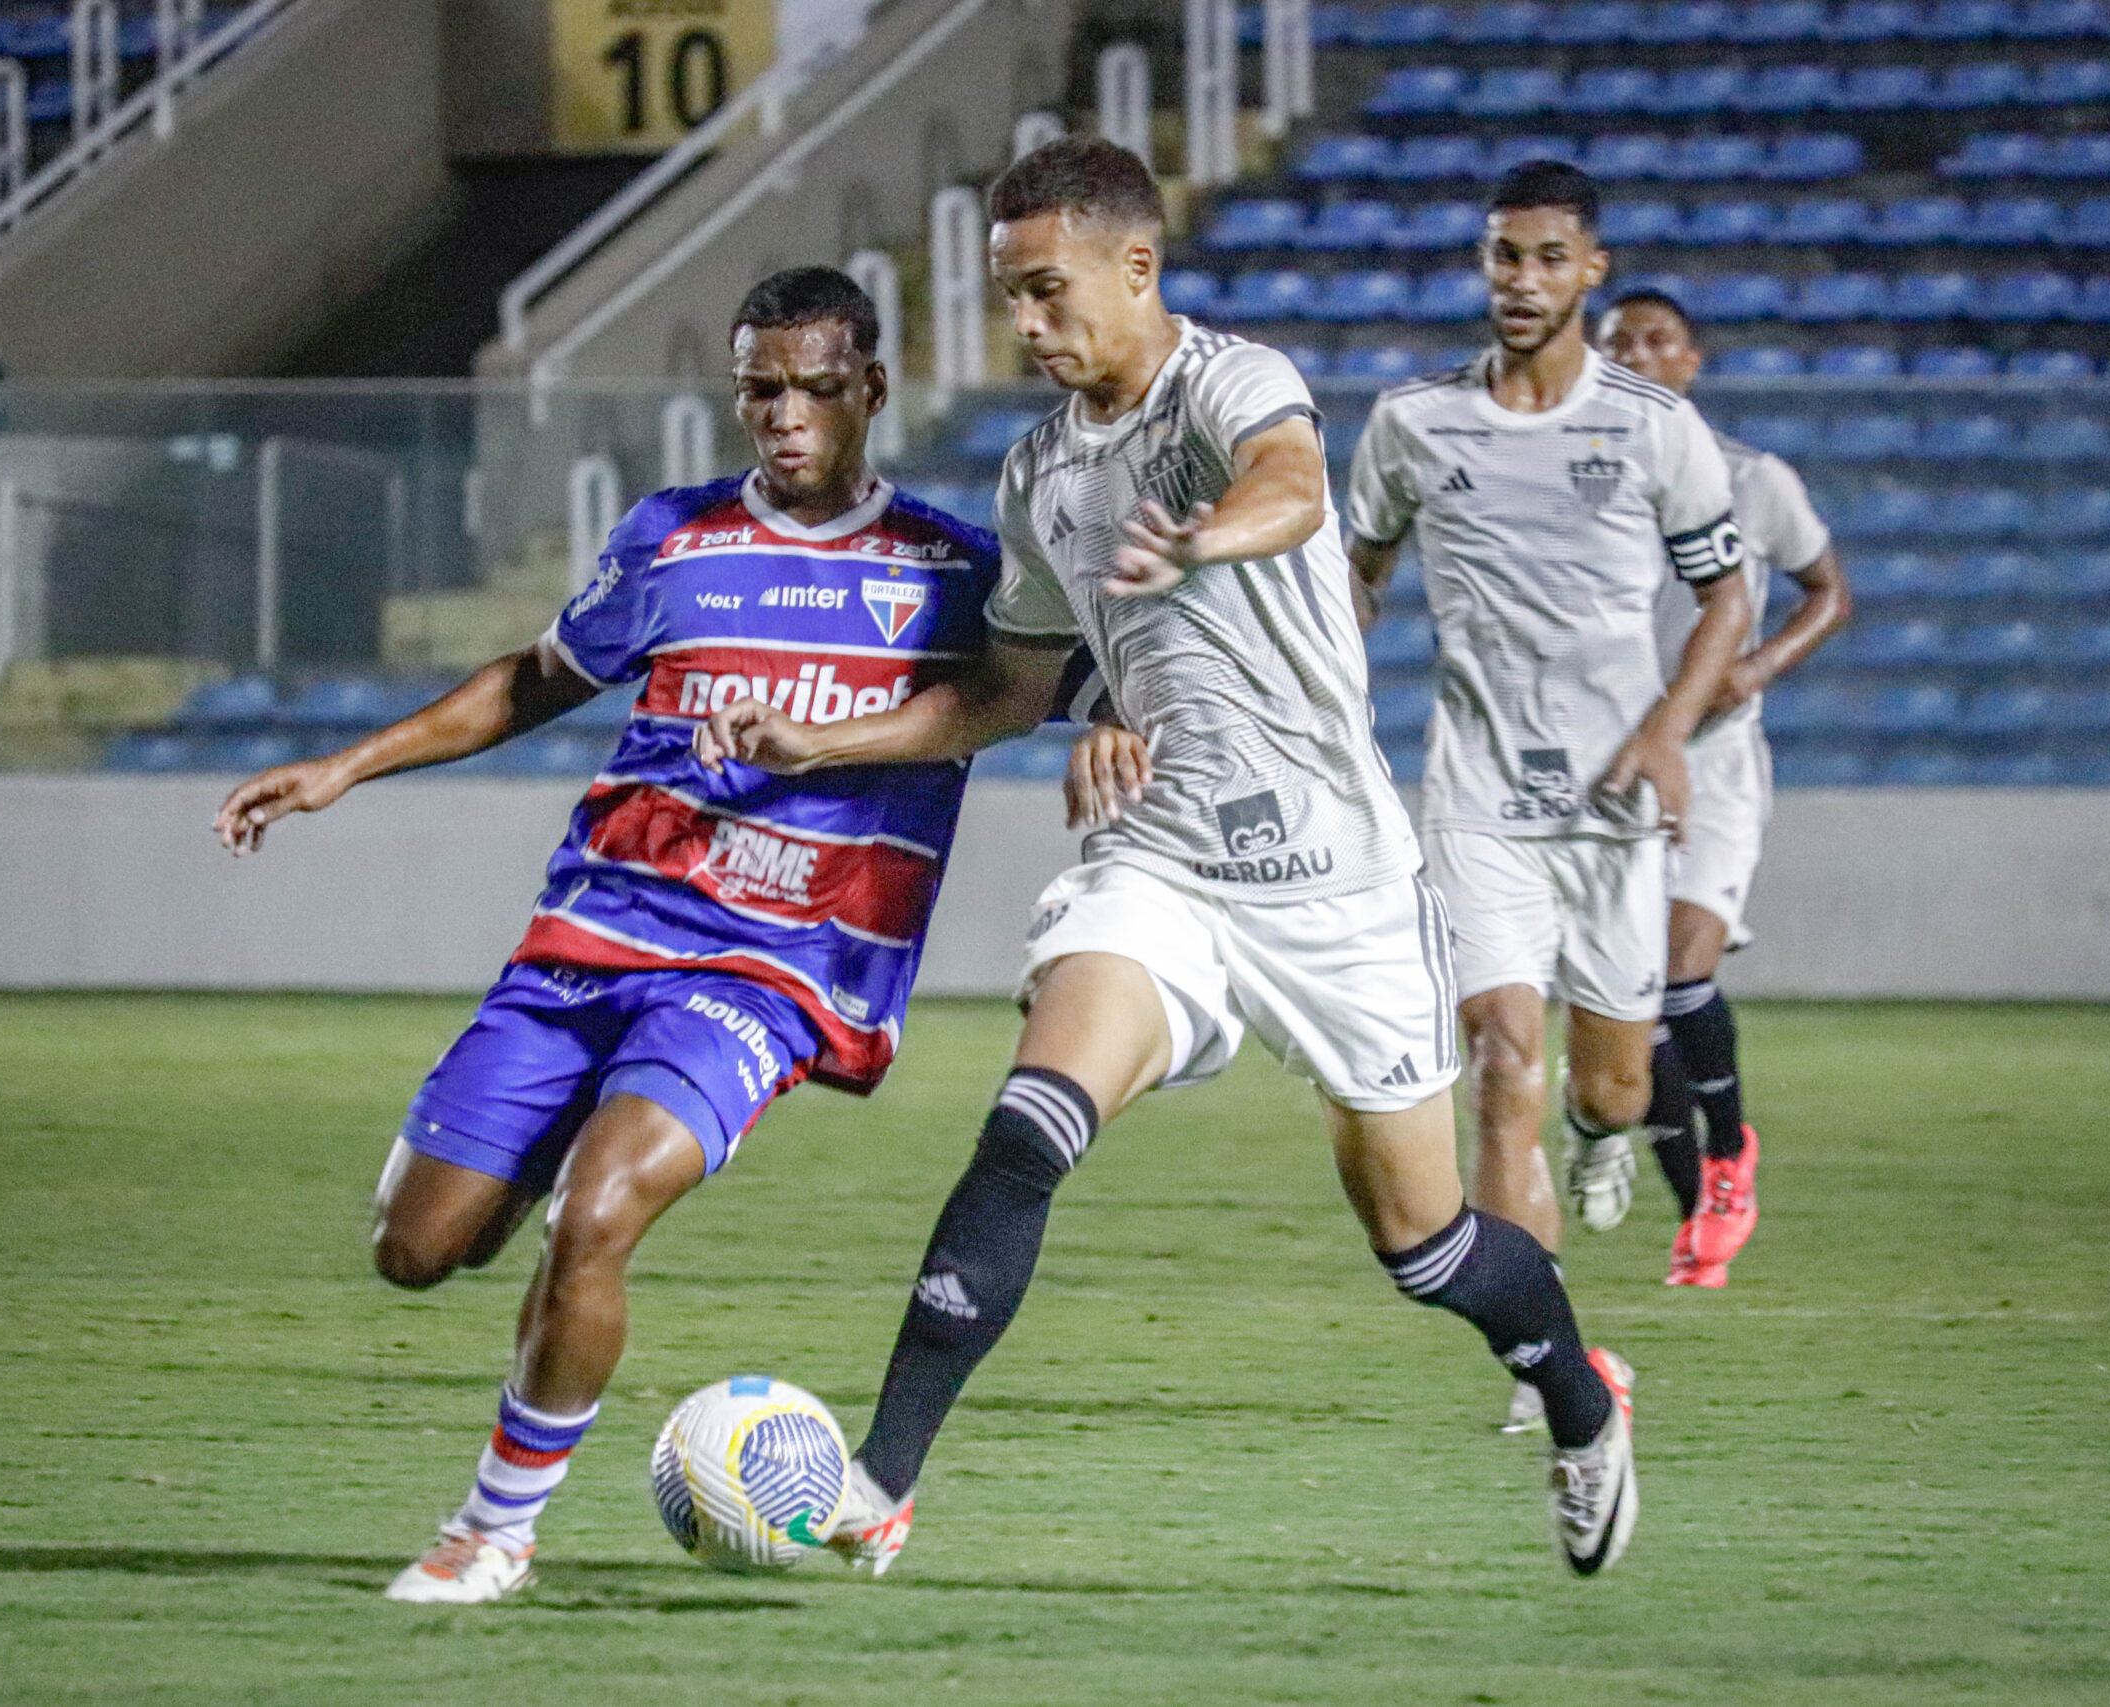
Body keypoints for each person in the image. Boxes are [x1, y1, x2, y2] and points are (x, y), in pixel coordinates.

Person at [699, 136, 1638, 1580]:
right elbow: (1010, 685)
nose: (1028, 324)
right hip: (1168, 871)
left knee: (1426, 1243)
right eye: (1012, 297)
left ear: (1138, 267)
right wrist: (826, 745)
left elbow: (1294, 488)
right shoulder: (1039, 475)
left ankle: (1582, 1394)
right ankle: (882, 1479)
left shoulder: (1229, 385)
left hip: (1338, 882)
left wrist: (1194, 543)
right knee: (1027, 1122)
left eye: (1049, 289)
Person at [211, 267, 1002, 1605]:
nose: (789, 414)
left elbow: (1054, 681)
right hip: (594, 933)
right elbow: (533, 677)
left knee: (599, 1212)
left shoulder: (951, 567)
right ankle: (540, 1219)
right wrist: (351, 763)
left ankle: (492, 1528)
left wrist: (1111, 718)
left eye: (818, 386)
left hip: (773, 964)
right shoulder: (672, 536)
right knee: (415, 1247)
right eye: (763, 387)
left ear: (870, 386)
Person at [1341, 161, 1751, 1430]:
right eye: (1502, 258)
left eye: (1545, 259)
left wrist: (1670, 733)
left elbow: (1727, 597)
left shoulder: (1651, 428)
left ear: (1590, 271)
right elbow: (1354, 579)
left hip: (1617, 809)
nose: (1520, 282)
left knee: (1607, 1088)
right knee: (1500, 1060)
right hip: (1475, 802)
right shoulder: (1411, 424)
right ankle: (1546, 1356)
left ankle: (1605, 1134)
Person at [1597, 288, 1851, 1288]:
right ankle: (1696, 1214)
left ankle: (1728, 1148)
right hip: (1605, 760)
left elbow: (1828, 590)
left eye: (1655, 341)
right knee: (1625, 1005)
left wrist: (1756, 669)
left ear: (1691, 360)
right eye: (1618, 343)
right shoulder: (1578, 482)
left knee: (1674, 967)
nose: (1636, 356)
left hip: (1712, 758)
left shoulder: (1753, 479)